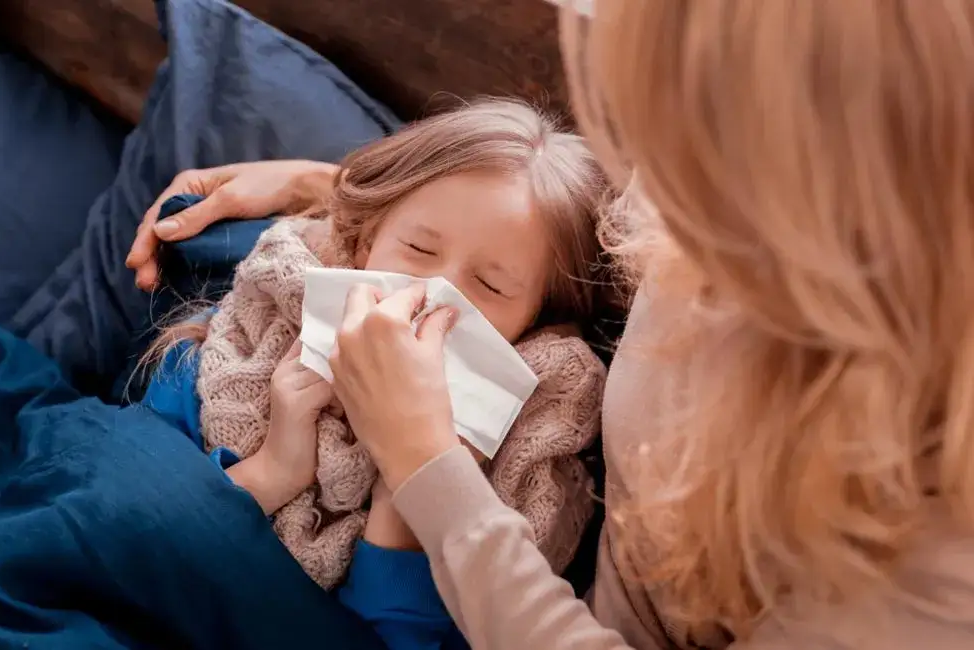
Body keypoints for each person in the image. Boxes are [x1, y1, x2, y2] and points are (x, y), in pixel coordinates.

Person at [130, 1, 974, 648]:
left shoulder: (935, 561)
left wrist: (422, 469)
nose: (658, 175)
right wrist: (334, 188)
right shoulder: (238, 354)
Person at [137, 98, 610, 650]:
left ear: (535, 329)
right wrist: (272, 471)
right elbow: (130, 535)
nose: (431, 296)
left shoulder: (527, 490)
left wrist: (400, 510)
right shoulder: (236, 349)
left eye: (490, 286)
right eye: (418, 248)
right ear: (365, 245)